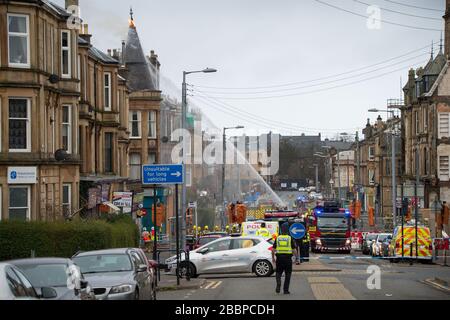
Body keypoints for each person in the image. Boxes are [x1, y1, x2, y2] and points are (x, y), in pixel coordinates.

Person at [272, 223, 297, 295]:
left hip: (279, 259)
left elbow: (273, 249)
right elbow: (294, 250)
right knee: (288, 274)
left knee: (278, 272)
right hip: (288, 259)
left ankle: (278, 283)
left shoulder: (278, 238)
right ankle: (286, 290)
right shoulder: (290, 238)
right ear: (287, 230)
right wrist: (296, 258)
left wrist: (273, 258)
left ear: (281, 230)